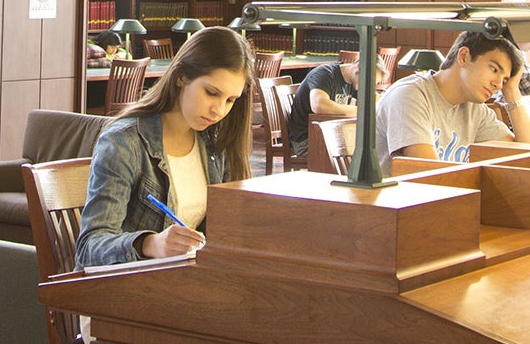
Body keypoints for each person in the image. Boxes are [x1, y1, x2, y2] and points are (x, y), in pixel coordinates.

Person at [77, 26, 255, 267]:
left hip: (183, 283)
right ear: (181, 77)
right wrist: (150, 244)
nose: (219, 110)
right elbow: (89, 248)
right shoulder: (125, 142)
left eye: (230, 100)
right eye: (211, 93)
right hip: (126, 289)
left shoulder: (215, 143)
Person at [376, 31, 522, 162]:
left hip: (448, 190)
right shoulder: (410, 96)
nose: (498, 85)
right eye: (494, 69)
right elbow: (430, 175)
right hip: (407, 191)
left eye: (504, 80)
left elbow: (528, 160)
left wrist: (512, 91)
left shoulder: (474, 108)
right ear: (464, 57)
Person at [287, 57, 358, 159]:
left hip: (330, 137)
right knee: (355, 156)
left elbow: (375, 101)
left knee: (366, 150)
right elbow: (319, 106)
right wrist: (359, 112)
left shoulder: (354, 81)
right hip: (307, 141)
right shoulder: (324, 74)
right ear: (359, 68)